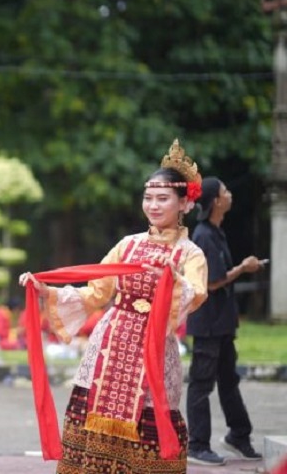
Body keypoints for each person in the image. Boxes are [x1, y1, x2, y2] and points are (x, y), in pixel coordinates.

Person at [19, 139, 208, 474]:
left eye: (162, 198)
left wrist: (172, 279)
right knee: (91, 413)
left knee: (148, 421)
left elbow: (193, 297)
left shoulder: (191, 255)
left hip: (152, 350)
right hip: (111, 342)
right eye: (148, 198)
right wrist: (48, 291)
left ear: (185, 204)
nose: (153, 205)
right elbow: (96, 292)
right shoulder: (128, 245)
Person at [185, 177, 265, 466]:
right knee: (201, 383)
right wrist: (243, 268)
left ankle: (238, 435)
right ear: (216, 202)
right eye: (226, 191)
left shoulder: (216, 232)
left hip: (222, 322)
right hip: (207, 323)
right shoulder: (204, 235)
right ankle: (196, 445)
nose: (230, 194)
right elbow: (213, 282)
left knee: (228, 379)